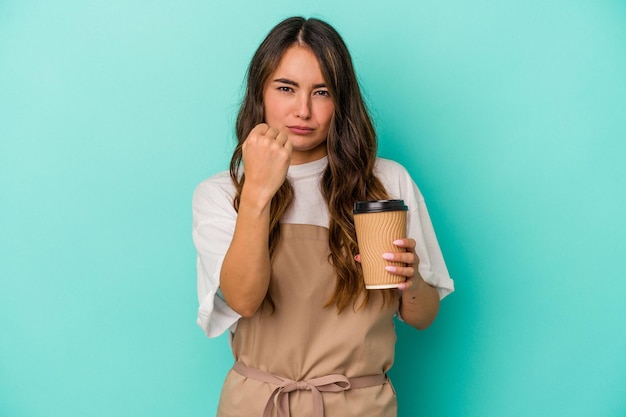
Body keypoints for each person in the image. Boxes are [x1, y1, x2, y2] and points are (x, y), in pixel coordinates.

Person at [192, 16, 454, 417]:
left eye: (322, 92)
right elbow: (244, 301)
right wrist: (258, 193)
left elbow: (423, 316)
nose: (303, 110)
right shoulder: (221, 193)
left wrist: (412, 279)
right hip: (259, 405)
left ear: (341, 101)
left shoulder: (386, 182)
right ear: (260, 93)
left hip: (361, 406)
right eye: (286, 88)